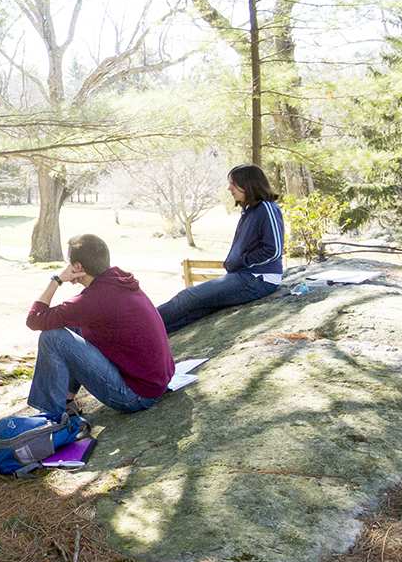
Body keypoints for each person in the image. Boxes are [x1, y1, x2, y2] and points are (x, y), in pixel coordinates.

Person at [24, 233, 175, 420]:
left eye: (69, 261)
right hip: (155, 383)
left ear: (77, 267)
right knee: (71, 329)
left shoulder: (94, 300)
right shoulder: (118, 280)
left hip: (136, 396)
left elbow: (34, 319)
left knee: (51, 338)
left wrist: (57, 279)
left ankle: (52, 418)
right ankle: (66, 402)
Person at [155, 164, 286, 332]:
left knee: (186, 298)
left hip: (258, 279)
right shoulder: (250, 210)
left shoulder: (266, 208)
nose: (229, 188)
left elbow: (274, 250)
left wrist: (243, 261)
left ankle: (137, 327)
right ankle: (149, 336)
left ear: (248, 184)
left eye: (233, 183)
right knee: (197, 310)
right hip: (246, 276)